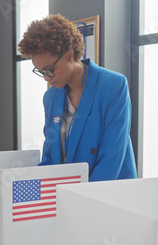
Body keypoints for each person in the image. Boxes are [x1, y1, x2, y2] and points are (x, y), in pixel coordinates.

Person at [18, 14, 137, 181]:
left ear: (68, 55)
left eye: (49, 69)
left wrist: (82, 198)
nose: (46, 77)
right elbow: (50, 156)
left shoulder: (113, 86)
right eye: (41, 72)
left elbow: (112, 157)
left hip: (110, 189)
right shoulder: (50, 97)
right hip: (69, 191)